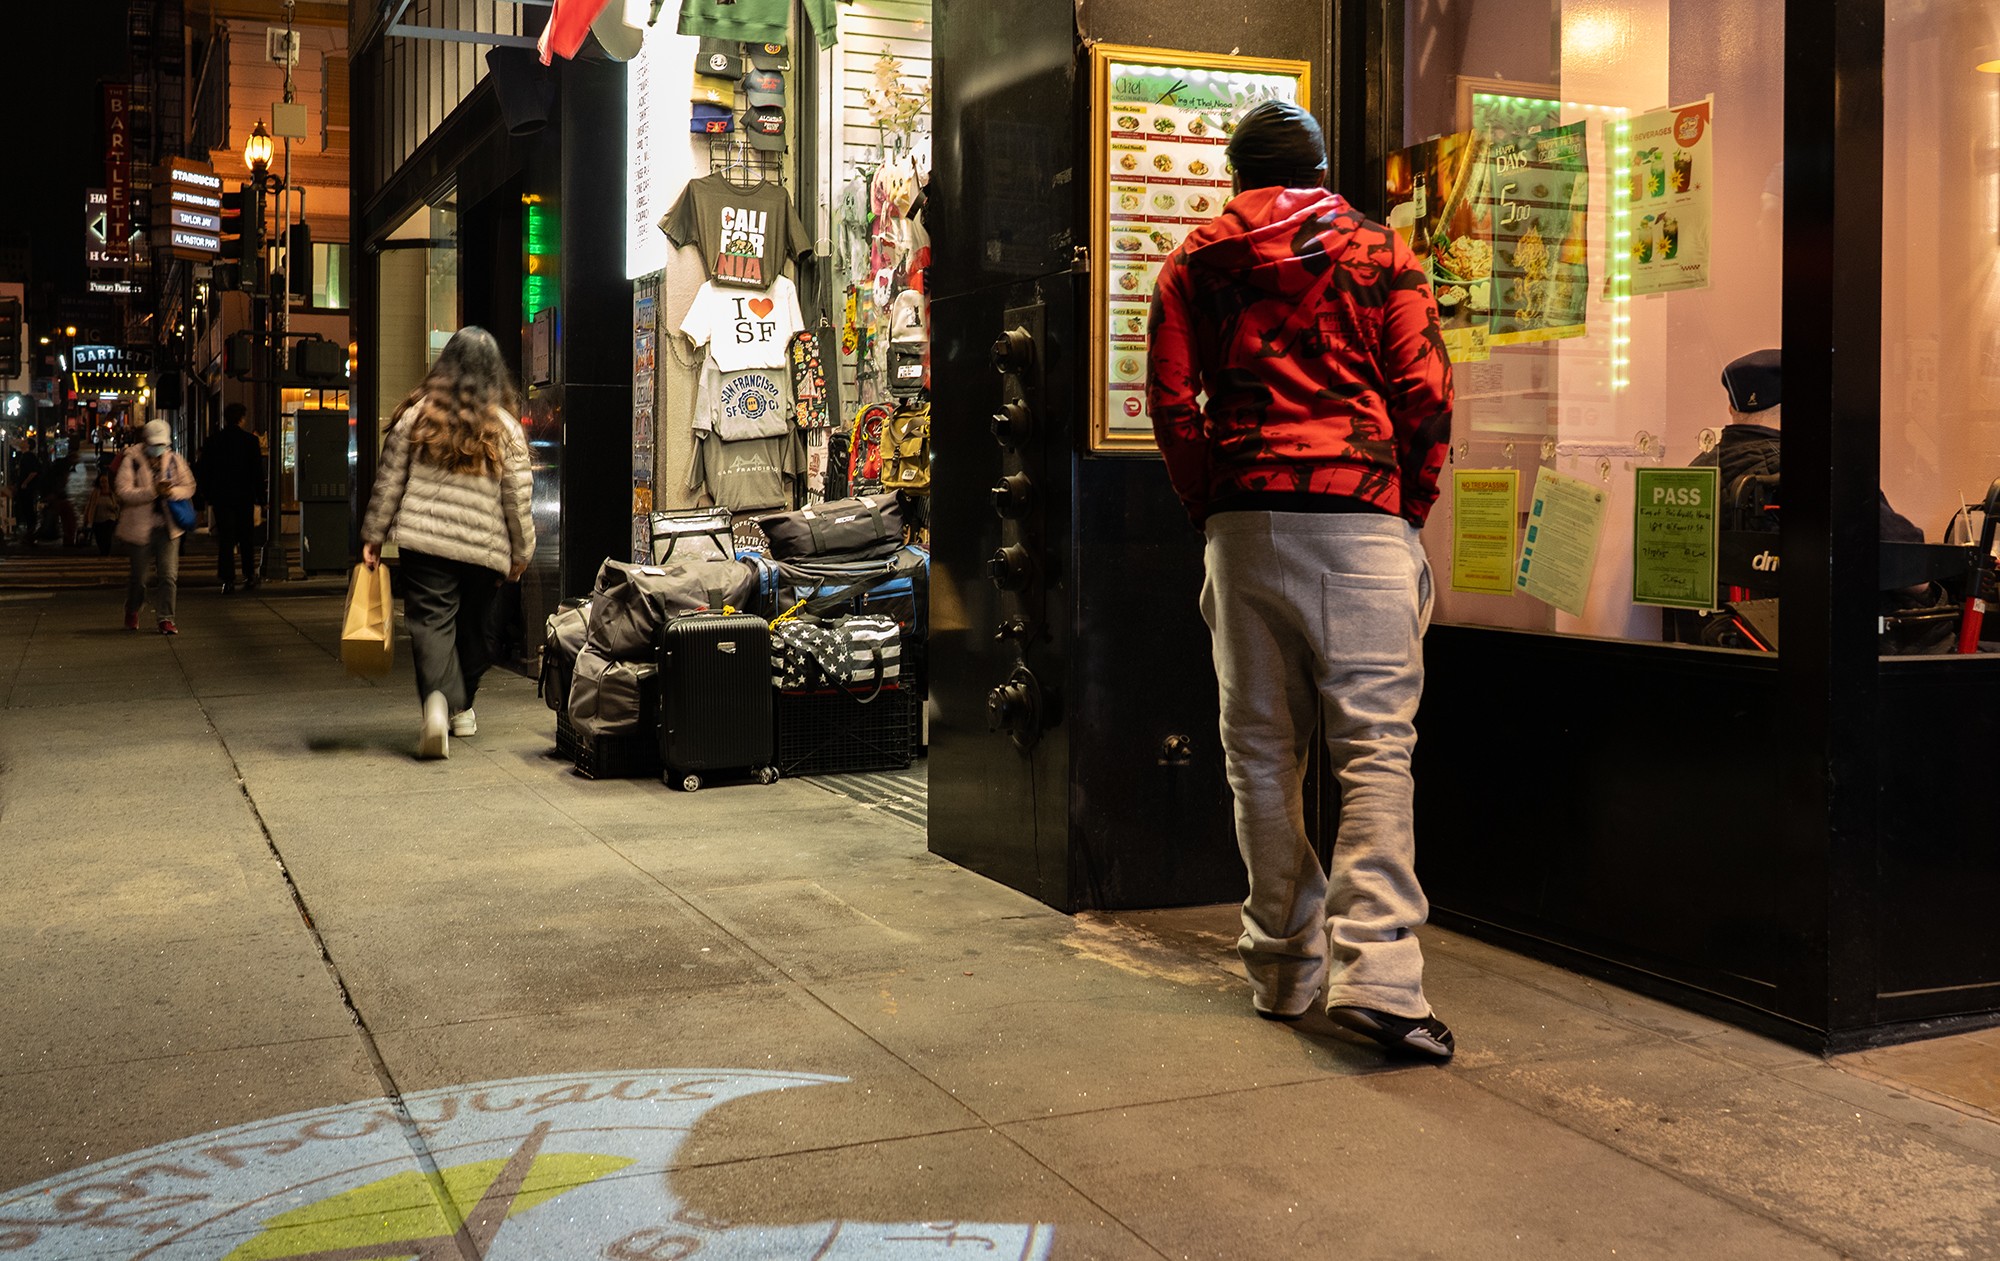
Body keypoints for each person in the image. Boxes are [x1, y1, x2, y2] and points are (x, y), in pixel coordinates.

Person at [1146, 100, 1457, 1060]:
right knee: (1373, 752)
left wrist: (1210, 506)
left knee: (1259, 753)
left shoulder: (1194, 260)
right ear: (1322, 171)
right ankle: (1383, 979)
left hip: (1244, 521)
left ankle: (1283, 968)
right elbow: (1427, 389)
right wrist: (1407, 502)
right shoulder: (1379, 252)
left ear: (1237, 176)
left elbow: (1168, 399)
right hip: (1362, 513)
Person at [360, 326, 535, 760]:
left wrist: (373, 536)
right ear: (496, 373)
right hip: (484, 551)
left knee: (432, 625)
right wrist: (522, 551)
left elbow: (389, 481)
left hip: (425, 545)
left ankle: (437, 704)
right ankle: (464, 706)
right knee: (476, 632)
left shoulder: (417, 415)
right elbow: (518, 498)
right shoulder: (507, 428)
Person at [115, 419, 197, 635]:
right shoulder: (132, 459)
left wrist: (171, 493)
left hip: (168, 527)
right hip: (139, 528)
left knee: (169, 575)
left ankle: (166, 618)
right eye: (154, 443)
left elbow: (189, 486)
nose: (158, 448)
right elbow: (123, 490)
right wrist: (152, 491)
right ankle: (132, 609)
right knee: (139, 577)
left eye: (162, 444)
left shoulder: (174, 460)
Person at [196, 403, 268, 592]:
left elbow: (204, 471)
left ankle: (228, 579)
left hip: (222, 497)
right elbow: (256, 473)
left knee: (226, 539)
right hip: (244, 496)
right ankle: (249, 575)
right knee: (246, 537)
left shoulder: (214, 441)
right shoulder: (250, 442)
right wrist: (261, 498)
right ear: (241, 418)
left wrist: (208, 494)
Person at [82, 466, 119, 556]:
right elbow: (90, 505)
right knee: (99, 538)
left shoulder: (112, 493)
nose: (104, 484)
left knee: (107, 536)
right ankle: (103, 552)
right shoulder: (95, 492)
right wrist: (86, 519)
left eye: (105, 481)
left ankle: (106, 553)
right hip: (97, 520)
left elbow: (118, 504)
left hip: (110, 519)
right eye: (102, 482)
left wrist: (115, 508)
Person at [9, 437, 40, 542]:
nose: (23, 442)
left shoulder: (29, 457)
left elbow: (34, 472)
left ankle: (31, 529)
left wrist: (25, 483)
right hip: (24, 487)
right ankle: (29, 529)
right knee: (25, 508)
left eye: (25, 441)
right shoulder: (23, 456)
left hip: (27, 488)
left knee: (28, 508)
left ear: (28, 445)